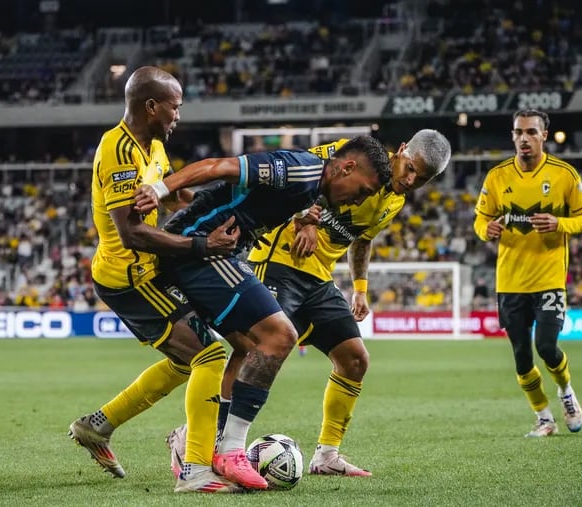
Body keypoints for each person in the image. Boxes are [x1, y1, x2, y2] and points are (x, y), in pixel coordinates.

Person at [165, 130, 452, 478]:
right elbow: (304, 176)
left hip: (319, 280)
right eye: (410, 169)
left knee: (355, 359)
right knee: (257, 348)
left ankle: (327, 455)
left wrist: (360, 287)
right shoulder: (351, 155)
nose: (410, 180)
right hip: (278, 260)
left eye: (421, 179)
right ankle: (199, 438)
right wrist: (307, 218)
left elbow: (362, 240)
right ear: (402, 149)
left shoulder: (393, 201)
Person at [135, 135, 392, 489]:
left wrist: (306, 222)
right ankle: (229, 450)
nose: (359, 200)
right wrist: (160, 188)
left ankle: (196, 441)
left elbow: (235, 200)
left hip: (215, 253)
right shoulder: (299, 170)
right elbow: (219, 167)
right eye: (362, 189)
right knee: (278, 336)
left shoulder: (312, 191)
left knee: (244, 346)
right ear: (346, 167)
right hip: (197, 254)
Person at [67, 66, 244, 494]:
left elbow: (174, 196)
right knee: (209, 357)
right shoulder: (117, 150)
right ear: (151, 106)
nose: (179, 115)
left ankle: (98, 426)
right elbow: (132, 232)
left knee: (192, 360)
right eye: (175, 106)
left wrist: (223, 200)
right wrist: (203, 246)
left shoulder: (155, 147)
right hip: (129, 276)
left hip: (152, 269)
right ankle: (195, 470)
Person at [473, 109, 582, 437]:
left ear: (544, 135)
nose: (523, 139)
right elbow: (480, 220)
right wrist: (488, 230)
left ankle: (566, 392)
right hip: (510, 281)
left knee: (547, 347)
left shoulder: (564, 174)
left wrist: (560, 223)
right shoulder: (497, 176)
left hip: (549, 278)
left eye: (530, 132)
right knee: (521, 358)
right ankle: (544, 418)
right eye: (518, 133)